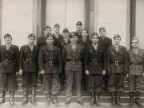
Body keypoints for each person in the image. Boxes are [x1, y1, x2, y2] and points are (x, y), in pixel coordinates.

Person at [38, 34, 62, 106]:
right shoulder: (42, 49)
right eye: (48, 39)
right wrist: (41, 69)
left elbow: (60, 60)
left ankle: (54, 98)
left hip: (55, 68)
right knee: (46, 83)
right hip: (46, 68)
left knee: (55, 83)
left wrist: (60, 69)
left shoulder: (57, 49)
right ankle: (48, 98)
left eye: (51, 39)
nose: (49, 40)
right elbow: (40, 60)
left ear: (53, 40)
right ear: (46, 40)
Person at [62, 32, 84, 105]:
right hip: (69, 66)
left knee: (78, 83)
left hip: (78, 66)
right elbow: (63, 58)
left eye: (75, 37)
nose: (73, 39)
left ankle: (79, 98)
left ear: (77, 38)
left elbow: (82, 57)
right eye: (71, 37)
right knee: (69, 83)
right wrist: (69, 62)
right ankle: (68, 98)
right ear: (69, 38)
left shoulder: (81, 47)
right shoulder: (66, 47)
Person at [85, 32, 106, 106]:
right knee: (91, 84)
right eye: (94, 38)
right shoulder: (88, 48)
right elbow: (85, 60)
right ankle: (92, 98)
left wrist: (104, 69)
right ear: (91, 39)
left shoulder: (102, 48)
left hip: (99, 68)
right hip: (90, 68)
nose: (95, 39)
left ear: (98, 39)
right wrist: (86, 69)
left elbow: (105, 60)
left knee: (98, 83)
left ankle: (97, 98)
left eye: (96, 38)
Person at [107, 34, 128, 106]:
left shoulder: (123, 49)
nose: (117, 41)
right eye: (115, 39)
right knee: (112, 83)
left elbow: (126, 60)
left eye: (118, 39)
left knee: (120, 84)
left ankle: (118, 99)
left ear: (120, 40)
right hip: (112, 68)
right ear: (113, 40)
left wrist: (125, 70)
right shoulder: (110, 49)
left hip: (120, 69)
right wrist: (108, 69)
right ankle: (113, 99)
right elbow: (108, 60)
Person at [19, 33, 39, 105]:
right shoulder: (23, 48)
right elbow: (20, 59)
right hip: (25, 68)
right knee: (25, 83)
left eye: (33, 39)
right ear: (28, 39)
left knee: (33, 83)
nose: (31, 40)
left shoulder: (37, 48)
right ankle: (25, 98)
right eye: (30, 39)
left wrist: (39, 69)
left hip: (34, 68)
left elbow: (38, 59)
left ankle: (33, 99)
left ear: (34, 40)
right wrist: (20, 68)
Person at [0, 34, 19, 105]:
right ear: (4, 39)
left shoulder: (15, 48)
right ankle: (2, 99)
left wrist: (17, 69)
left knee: (12, 84)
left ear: (11, 39)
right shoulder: (1, 47)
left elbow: (17, 59)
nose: (7, 39)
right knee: (2, 83)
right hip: (3, 68)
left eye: (8, 38)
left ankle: (11, 99)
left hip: (12, 68)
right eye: (6, 38)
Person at [127, 37, 144, 107]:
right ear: (131, 44)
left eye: (136, 42)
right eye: (134, 42)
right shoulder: (128, 52)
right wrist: (127, 72)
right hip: (131, 69)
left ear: (138, 43)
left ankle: (137, 100)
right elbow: (127, 62)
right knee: (131, 85)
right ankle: (131, 100)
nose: (135, 44)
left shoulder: (142, 51)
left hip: (140, 69)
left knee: (139, 85)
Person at [98, 27, 112, 91]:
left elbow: (110, 49)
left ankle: (106, 86)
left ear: (105, 32)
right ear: (99, 32)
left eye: (103, 31)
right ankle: (100, 87)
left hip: (106, 58)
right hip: (100, 58)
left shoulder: (109, 40)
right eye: (101, 31)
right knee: (100, 72)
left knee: (106, 73)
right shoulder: (97, 39)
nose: (102, 32)